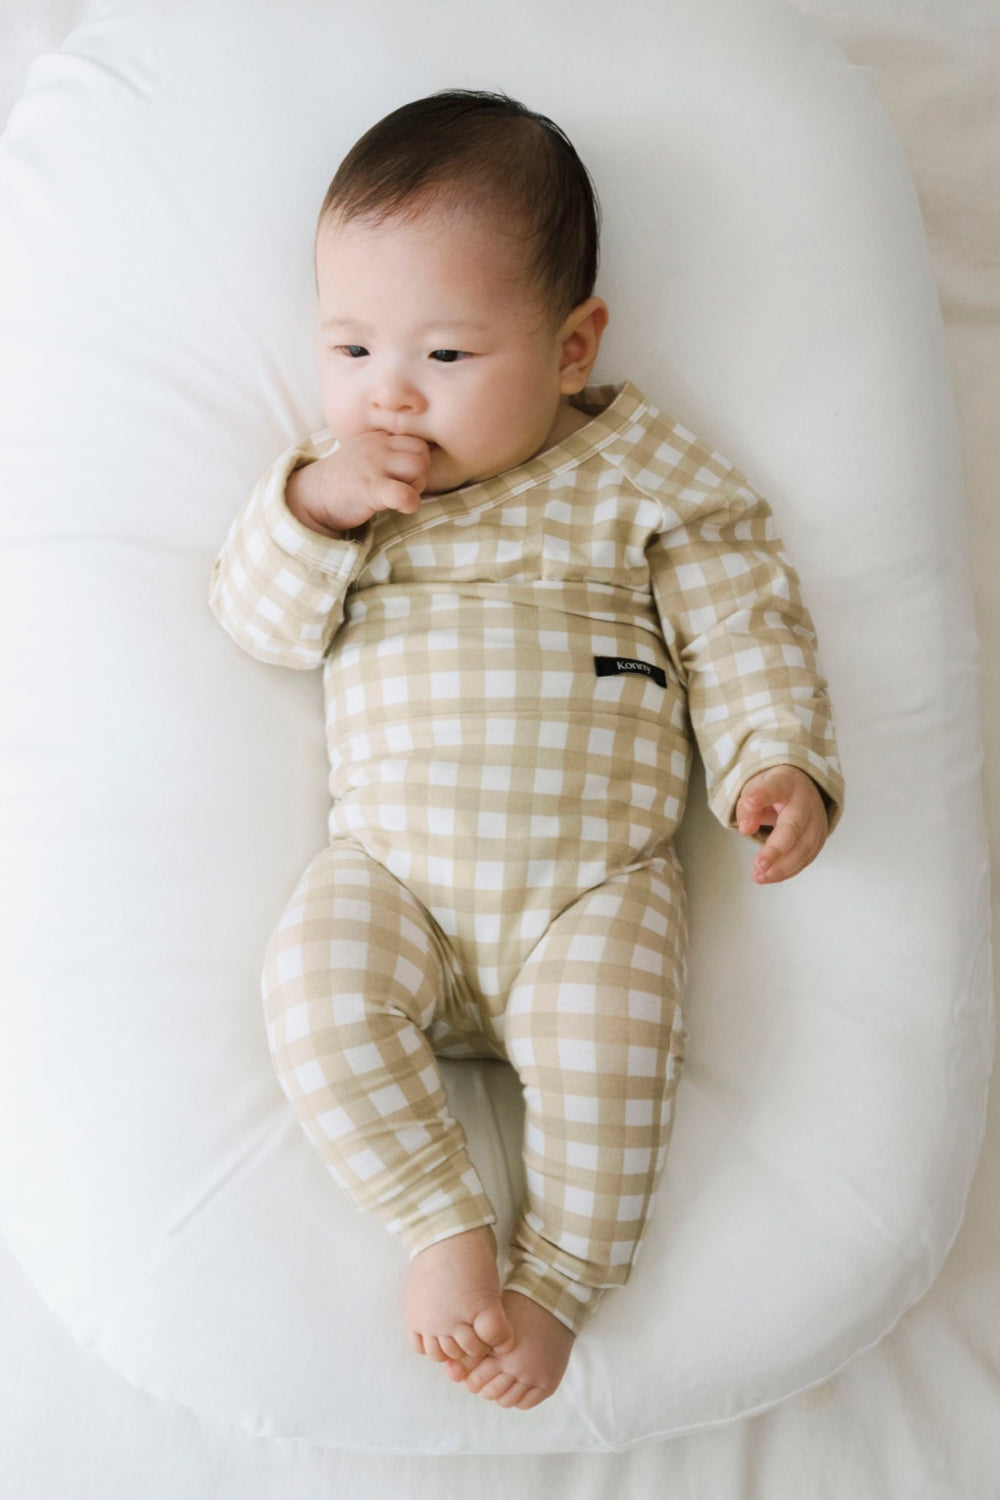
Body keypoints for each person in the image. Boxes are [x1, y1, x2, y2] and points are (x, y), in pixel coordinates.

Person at [209, 90, 843, 1411]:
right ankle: (439, 1220)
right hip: (395, 881)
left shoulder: (645, 471)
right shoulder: (338, 488)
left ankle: (557, 1282)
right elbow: (260, 627)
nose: (390, 391)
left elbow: (742, 618)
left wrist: (774, 758)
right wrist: (315, 510)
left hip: (589, 892)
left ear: (571, 347)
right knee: (312, 991)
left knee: (619, 1054)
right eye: (349, 346)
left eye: (446, 353)